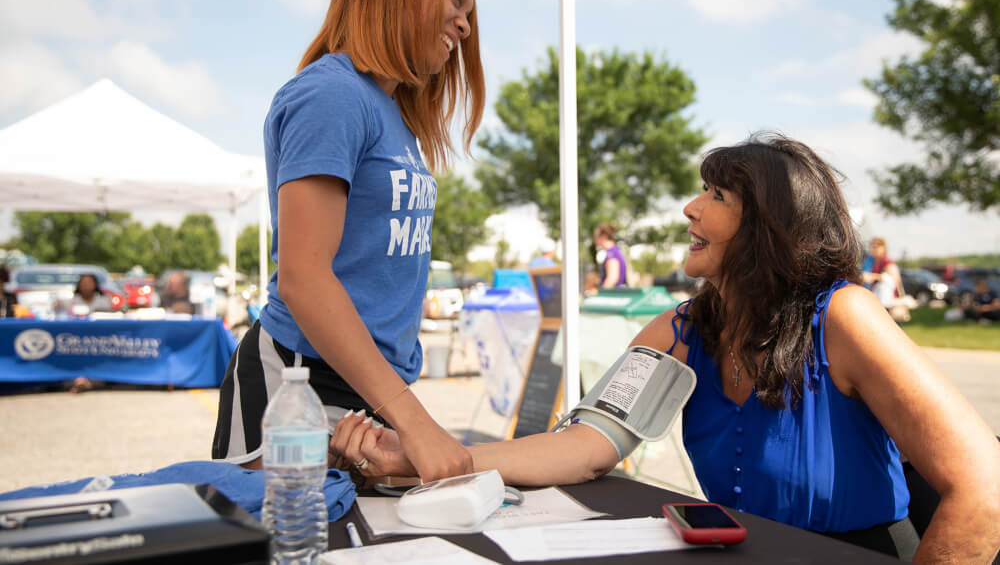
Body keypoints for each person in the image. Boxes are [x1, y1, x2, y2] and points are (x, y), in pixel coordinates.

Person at [332, 133, 1000, 563]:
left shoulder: (846, 316)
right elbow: (582, 445)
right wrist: (435, 458)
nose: (688, 207)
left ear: (768, 222)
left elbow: (983, 489)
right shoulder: (678, 329)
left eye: (713, 194)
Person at [211, 0, 485, 483]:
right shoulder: (332, 94)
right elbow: (304, 278)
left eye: (470, 12)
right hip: (295, 380)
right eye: (455, 0)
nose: (464, 24)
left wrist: (397, 406)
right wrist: (416, 424)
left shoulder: (394, 115)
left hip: (369, 386)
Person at [862, 237, 909, 321]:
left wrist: (874, 276)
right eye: (872, 246)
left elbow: (894, 280)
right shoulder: (871, 262)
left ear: (884, 248)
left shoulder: (887, 262)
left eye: (876, 246)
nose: (873, 249)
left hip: (887, 301)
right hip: (877, 299)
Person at [594, 223, 628, 288]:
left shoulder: (611, 253)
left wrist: (599, 293)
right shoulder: (615, 251)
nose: (594, 240)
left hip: (614, 295)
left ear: (604, 236)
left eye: (596, 237)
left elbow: (612, 278)